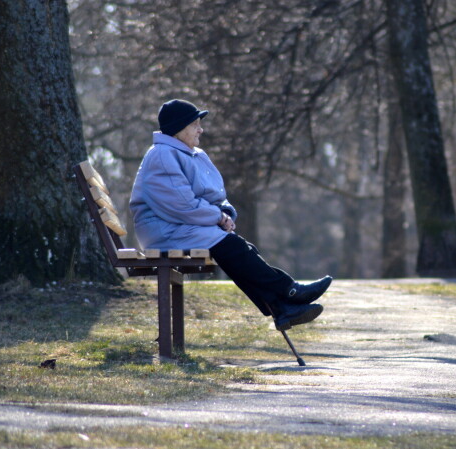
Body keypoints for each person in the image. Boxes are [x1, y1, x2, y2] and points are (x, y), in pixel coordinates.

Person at [130, 99, 332, 331]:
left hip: (185, 226)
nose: (201, 129)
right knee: (233, 248)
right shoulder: (163, 155)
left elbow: (216, 195)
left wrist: (225, 211)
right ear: (179, 128)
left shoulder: (194, 154)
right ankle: (289, 292)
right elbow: (181, 205)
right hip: (164, 229)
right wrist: (217, 217)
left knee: (241, 250)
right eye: (195, 124)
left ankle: (284, 308)